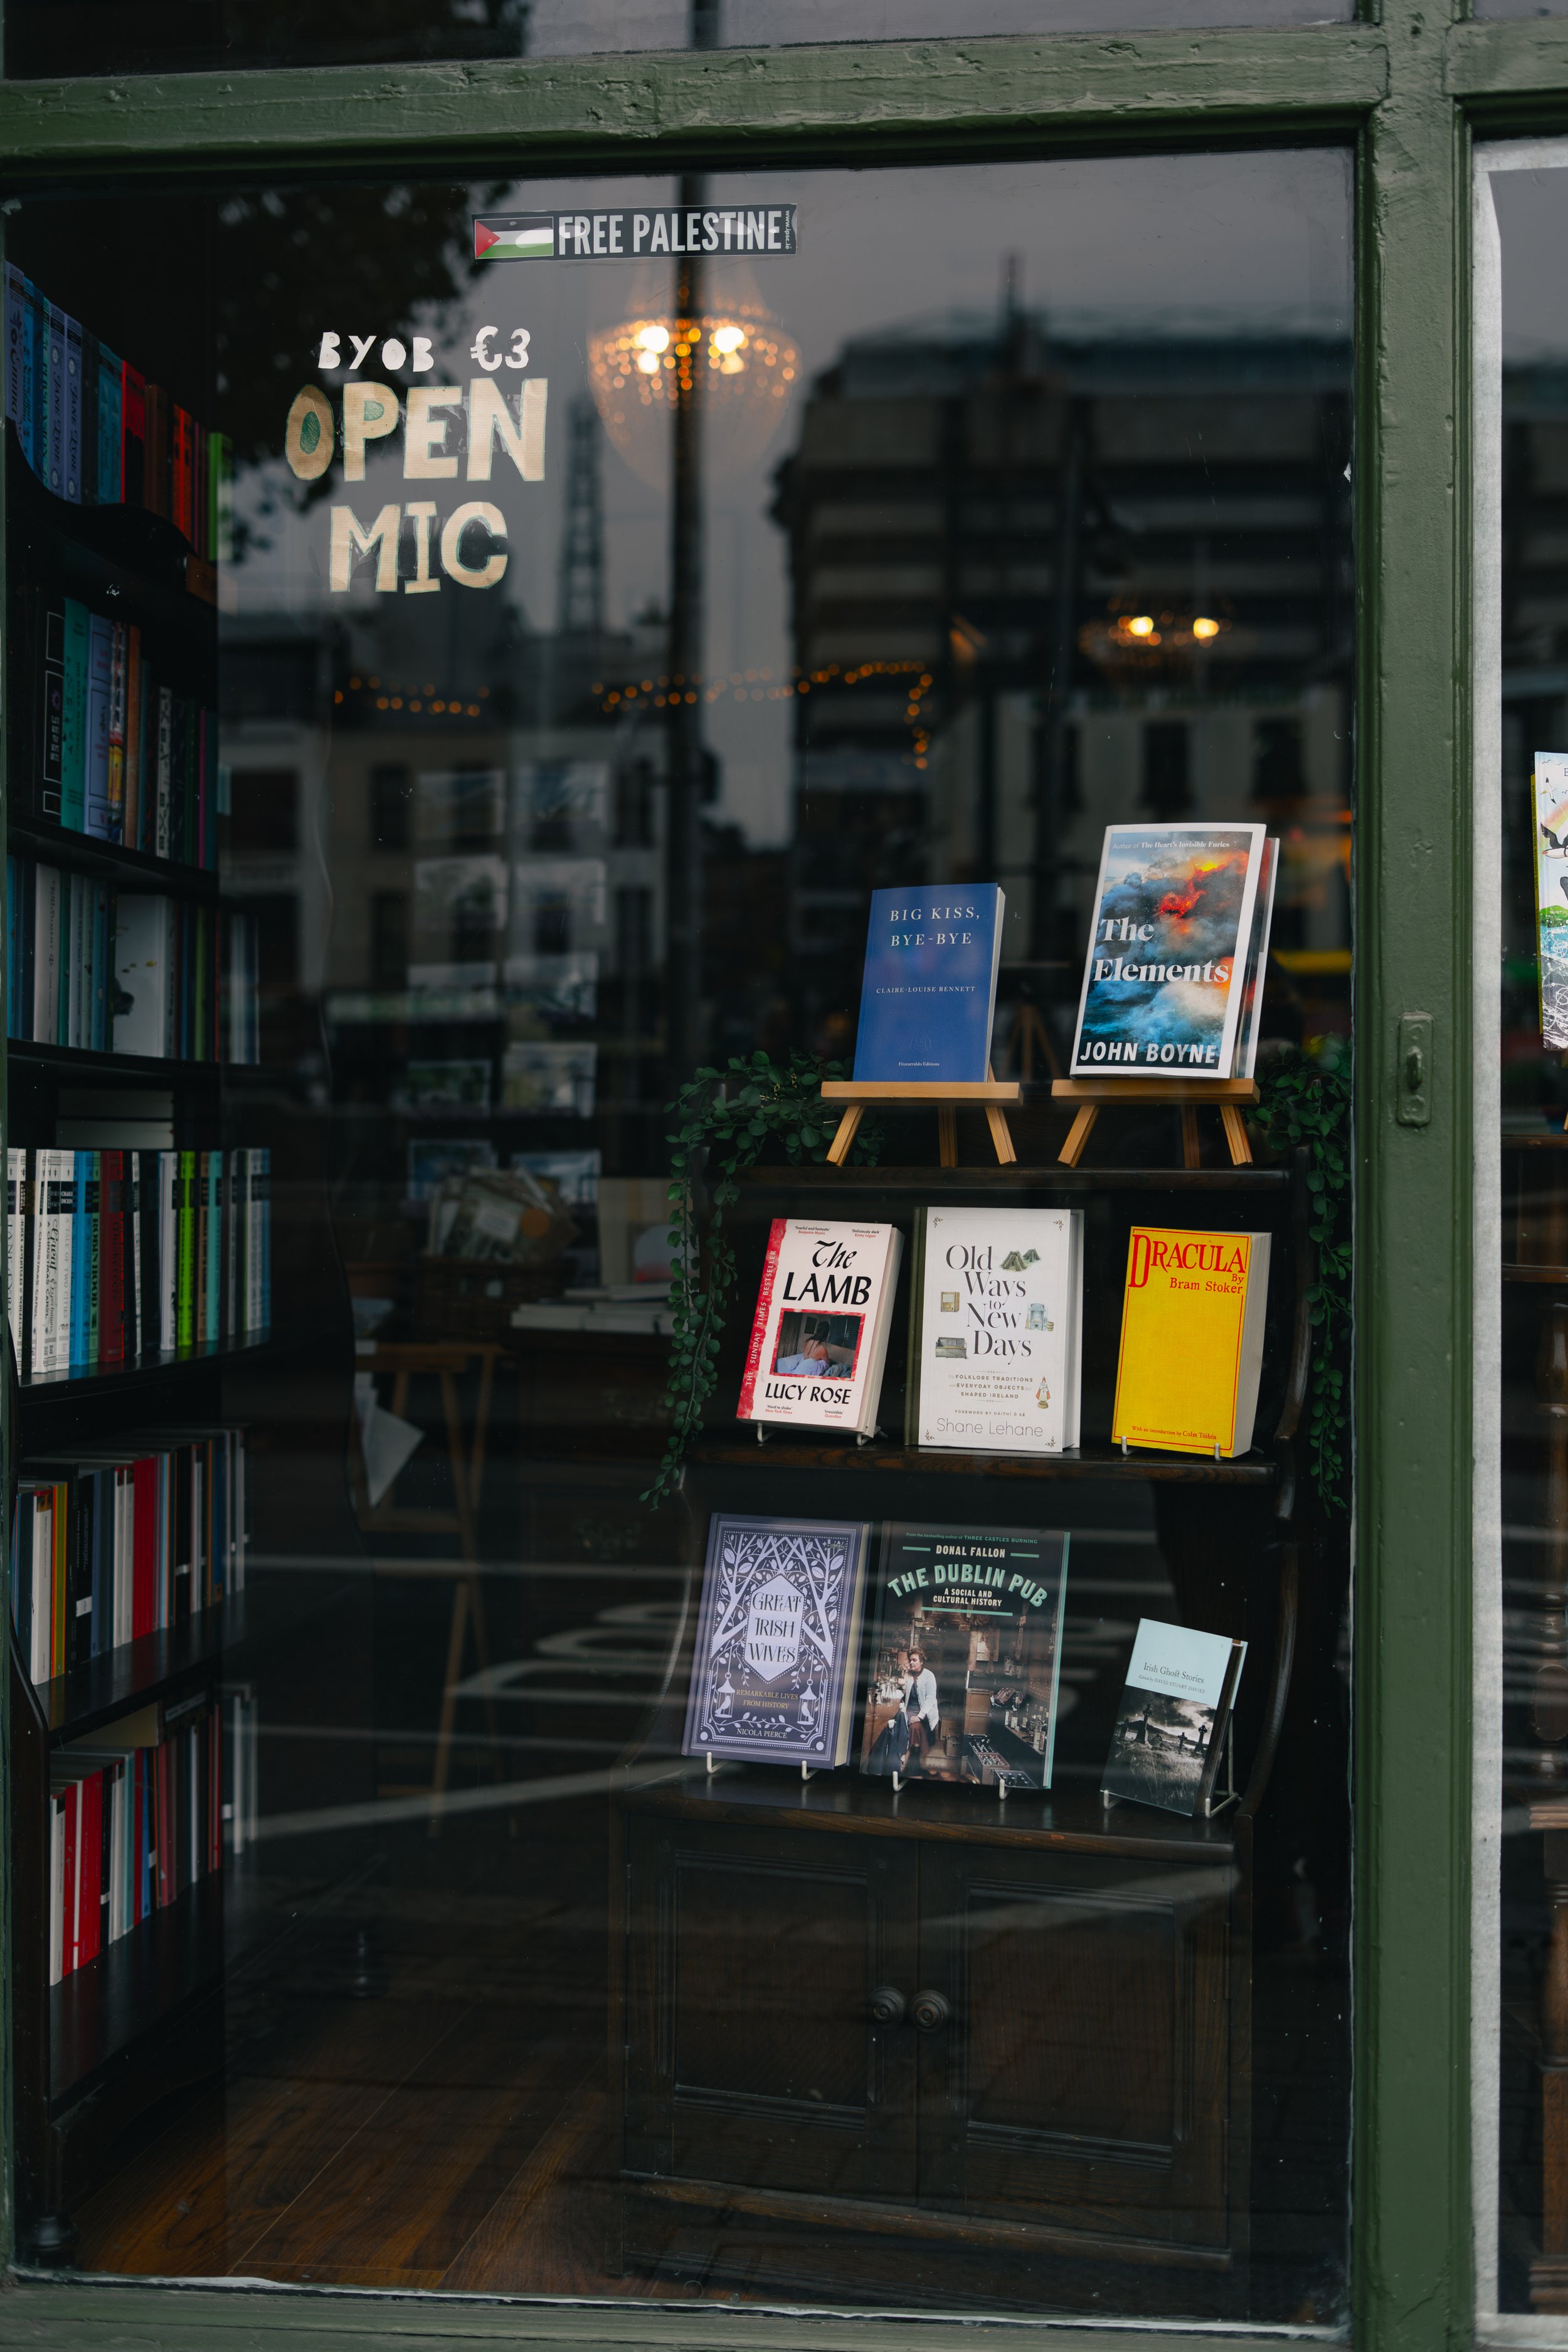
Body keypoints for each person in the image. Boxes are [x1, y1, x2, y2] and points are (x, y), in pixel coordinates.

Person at [903, 1646, 940, 1771]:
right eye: (910, 1660)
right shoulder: (908, 1674)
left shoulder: (929, 1676)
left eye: (915, 1660)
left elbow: (930, 1700)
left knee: (917, 1726)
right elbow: (902, 1689)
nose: (912, 1662)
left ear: (921, 1662)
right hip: (910, 1710)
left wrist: (919, 1716)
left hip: (926, 1713)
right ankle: (917, 1755)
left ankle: (909, 1757)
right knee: (915, 1727)